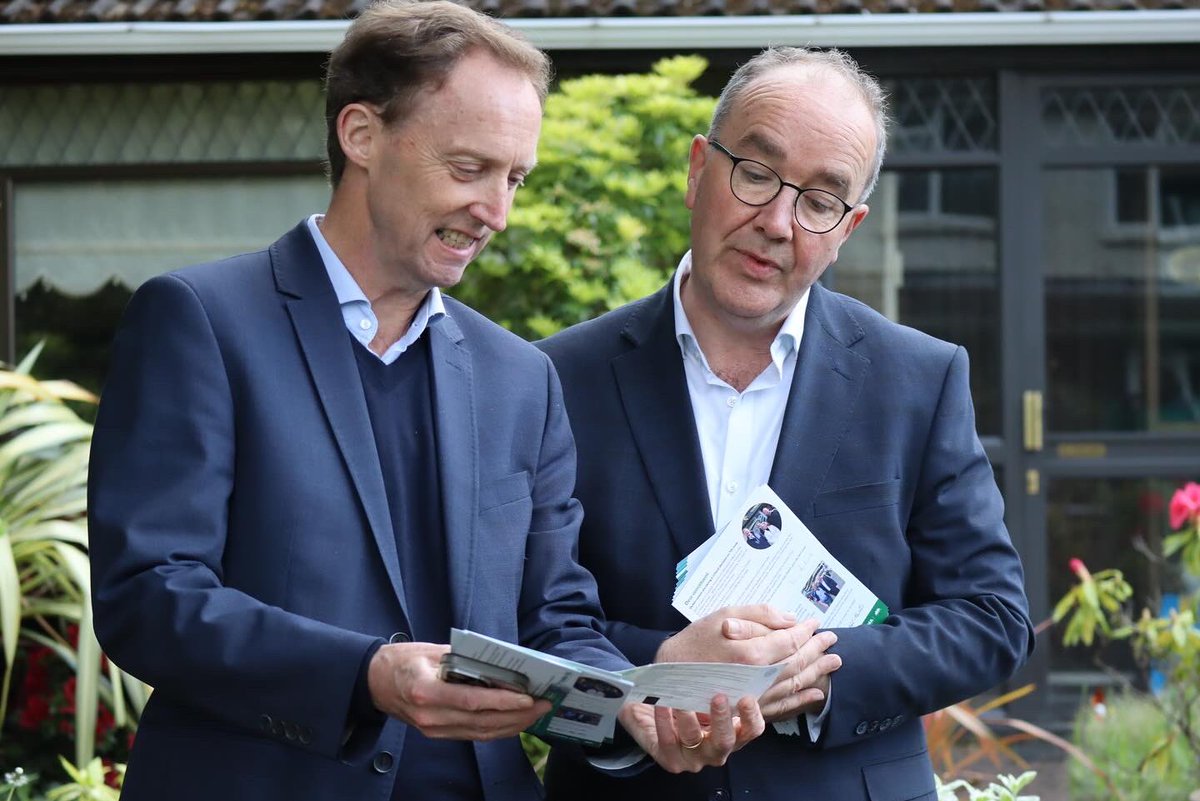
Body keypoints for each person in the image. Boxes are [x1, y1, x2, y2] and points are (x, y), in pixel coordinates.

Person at [86, 3, 763, 799]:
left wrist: (637, 711)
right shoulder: (199, 320)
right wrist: (364, 675)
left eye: (515, 178)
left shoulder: (520, 377)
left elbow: (554, 624)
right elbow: (149, 597)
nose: (498, 213)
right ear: (361, 135)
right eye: (470, 168)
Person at [538, 46, 1034, 801]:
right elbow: (526, 624)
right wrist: (664, 668)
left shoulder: (918, 379)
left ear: (849, 226)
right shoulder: (557, 378)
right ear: (698, 169)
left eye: (820, 199)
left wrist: (813, 672)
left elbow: (992, 618)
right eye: (757, 173)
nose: (775, 221)